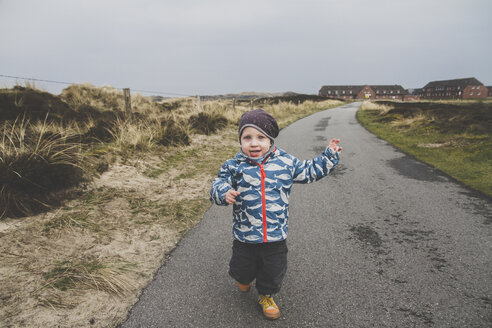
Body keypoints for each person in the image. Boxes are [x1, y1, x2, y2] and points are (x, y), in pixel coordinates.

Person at [210, 108, 342, 320]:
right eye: (247, 137)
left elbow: (308, 171)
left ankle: (266, 295)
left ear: (270, 140)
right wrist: (223, 192)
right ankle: (244, 278)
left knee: (272, 271)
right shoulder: (234, 166)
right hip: (245, 235)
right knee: (242, 270)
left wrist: (329, 156)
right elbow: (218, 183)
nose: (254, 143)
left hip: (275, 234)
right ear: (240, 141)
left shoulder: (285, 162)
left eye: (261, 137)